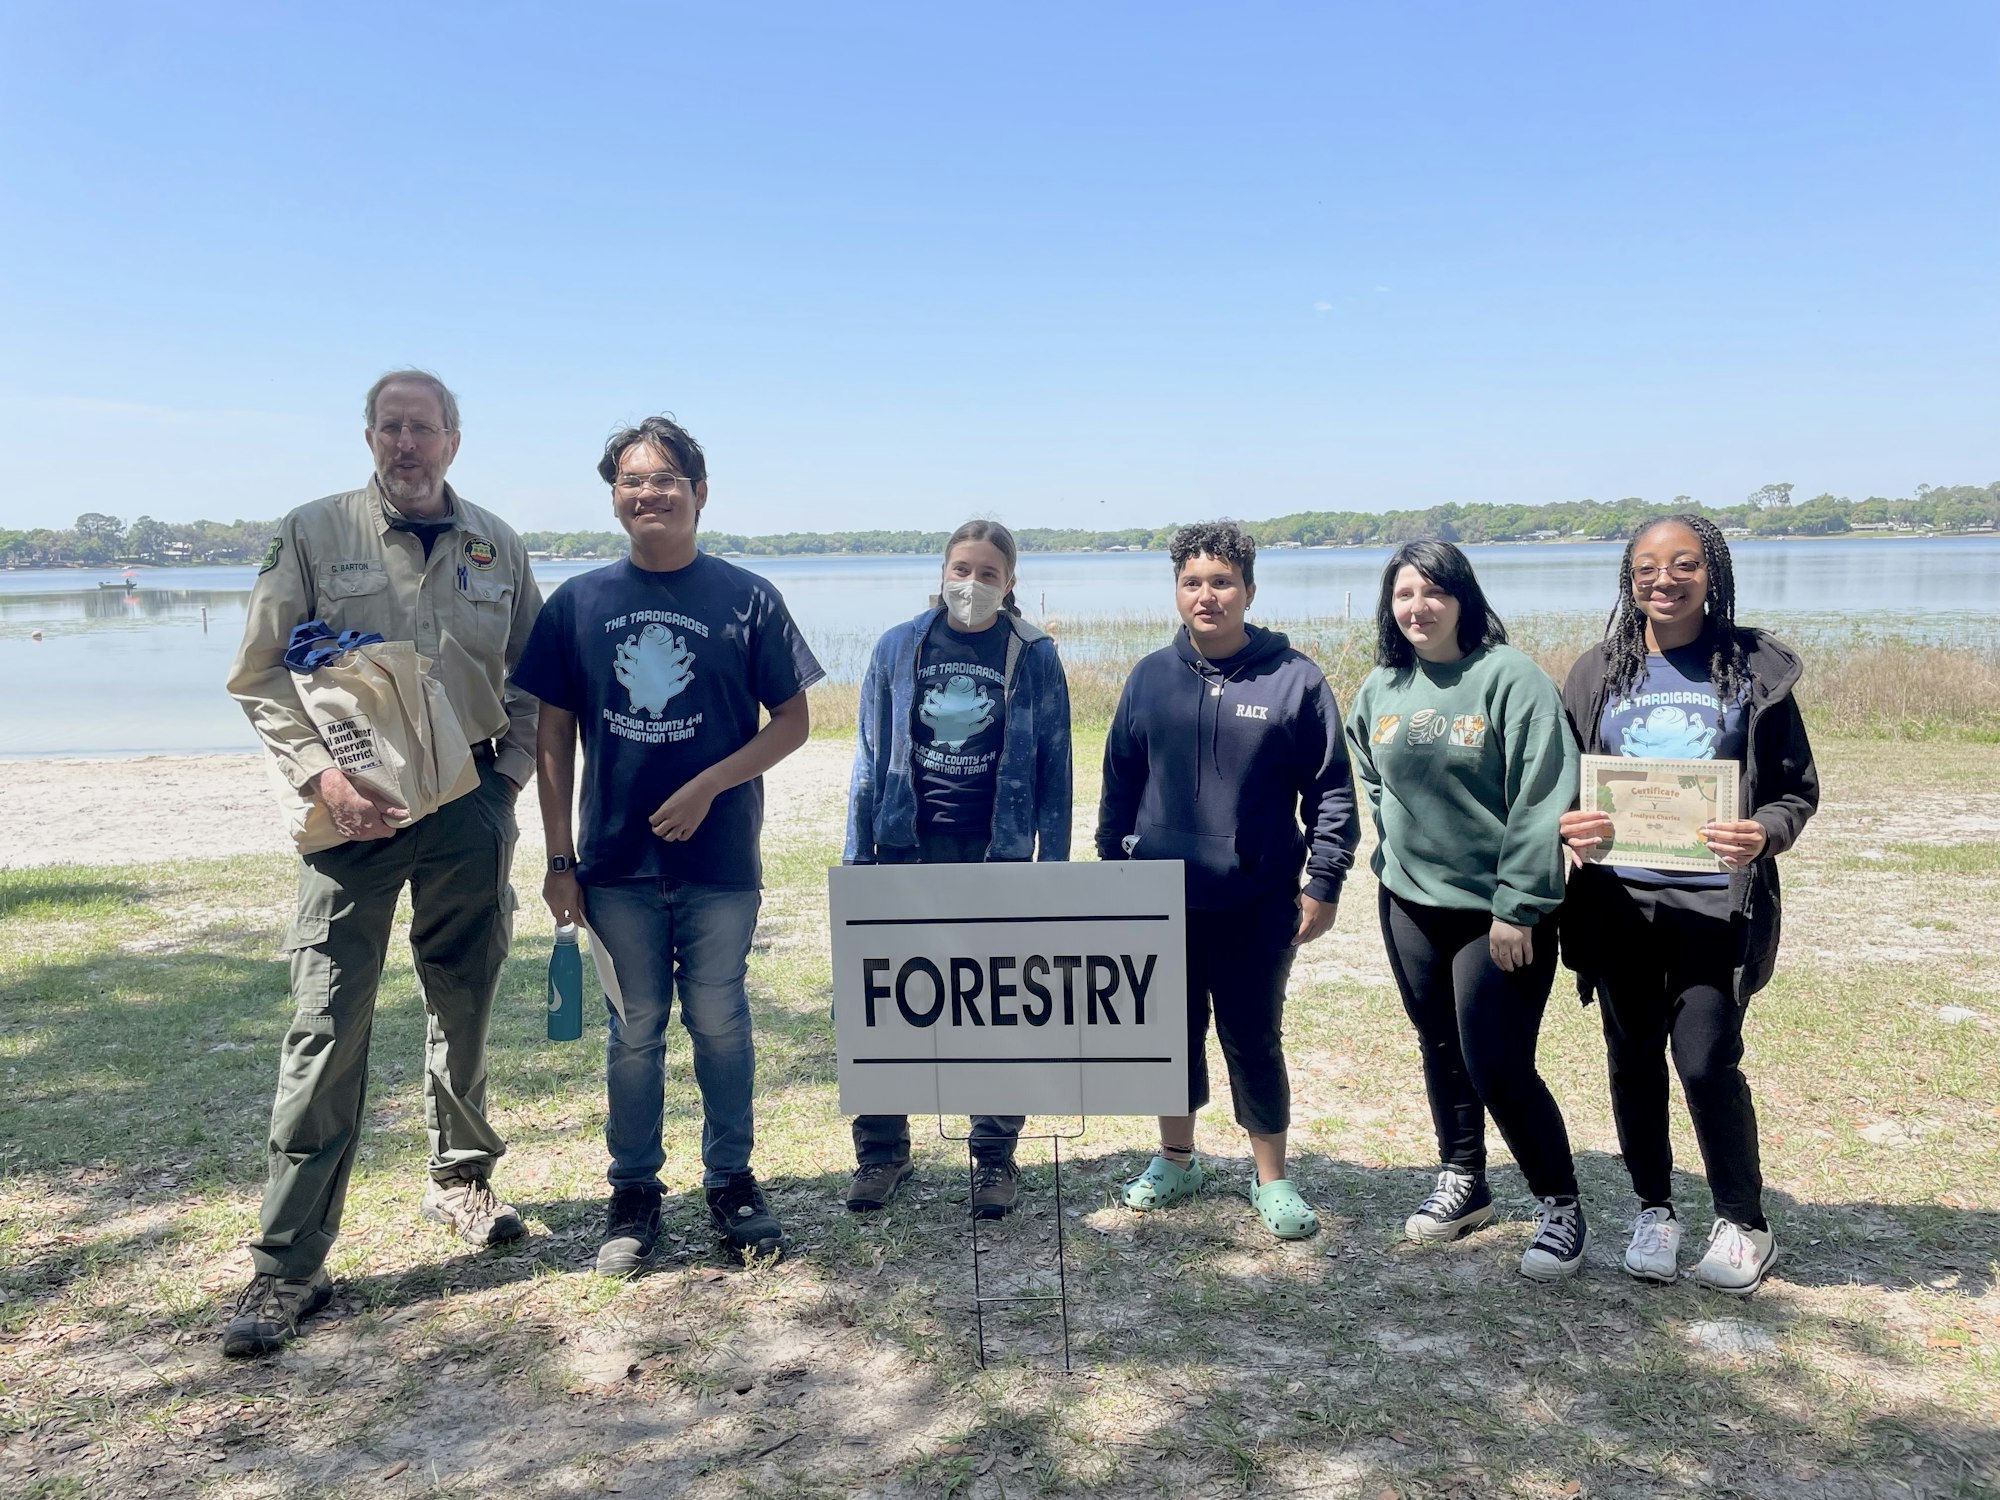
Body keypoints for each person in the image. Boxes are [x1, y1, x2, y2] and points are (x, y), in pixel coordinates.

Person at [221, 370, 543, 1356]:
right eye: (390, 428)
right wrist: (326, 781)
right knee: (326, 1026)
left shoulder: (496, 544)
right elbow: (262, 672)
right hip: (352, 819)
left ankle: (459, 1182)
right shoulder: (315, 533)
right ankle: (288, 1265)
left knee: (465, 1001)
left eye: (423, 428)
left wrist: (508, 783)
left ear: (454, 439)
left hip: (469, 813)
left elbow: (531, 676)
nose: (407, 444)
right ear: (370, 436)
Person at [512, 415, 823, 1276]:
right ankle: (634, 1194)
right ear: (614, 497)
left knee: (720, 1021)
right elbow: (552, 739)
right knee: (634, 1030)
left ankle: (732, 1184)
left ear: (699, 493)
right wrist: (558, 858)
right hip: (613, 864)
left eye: (665, 480)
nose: (648, 494)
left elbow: (794, 721)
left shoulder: (747, 597)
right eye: (631, 482)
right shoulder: (580, 603)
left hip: (721, 858)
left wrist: (710, 784)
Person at [1557, 514, 1817, 1295]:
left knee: (1705, 1062)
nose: (1663, 580)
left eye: (1683, 565)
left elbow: (1794, 792)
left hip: (1712, 906)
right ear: (1628, 580)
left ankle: (1744, 1222)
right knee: (1632, 1061)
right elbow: (1563, 780)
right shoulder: (1598, 670)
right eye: (1646, 568)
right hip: (1618, 907)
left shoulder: (1753, 667)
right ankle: (1654, 1208)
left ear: (1713, 574)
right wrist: (1568, 822)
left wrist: (1763, 834)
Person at [1096, 521, 1356, 1240]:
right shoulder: (1149, 676)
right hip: (1159, 899)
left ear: (1247, 588)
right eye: (1192, 582)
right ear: (1176, 590)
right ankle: (1177, 1158)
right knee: (1168, 1035)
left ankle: (1271, 1177)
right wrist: (1112, 873)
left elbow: (1332, 790)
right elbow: (1120, 782)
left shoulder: (1295, 677)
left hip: (1258, 900)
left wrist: (1323, 881)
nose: (1206, 596)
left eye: (1221, 581)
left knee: (1252, 1036)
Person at [1346, 540, 1587, 1280]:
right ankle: (1465, 1181)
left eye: (1432, 592)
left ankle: (1561, 1204)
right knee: (1440, 1047)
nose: (1417, 607)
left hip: (1499, 914)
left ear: (1463, 598)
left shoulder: (1508, 679)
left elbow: (1544, 794)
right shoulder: (1382, 687)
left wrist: (1519, 905)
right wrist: (1400, 851)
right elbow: (1372, 772)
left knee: (1497, 1062)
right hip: (1411, 904)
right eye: (1402, 594)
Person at [842, 520, 1073, 1219]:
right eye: (961, 569)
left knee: (1000, 1005)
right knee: (879, 1001)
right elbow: (864, 759)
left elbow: (1056, 769)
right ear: (942, 572)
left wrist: (1052, 870)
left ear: (1010, 585)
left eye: (988, 574)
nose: (971, 584)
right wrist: (859, 861)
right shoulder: (897, 647)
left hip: (996, 854)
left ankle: (994, 1156)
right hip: (903, 848)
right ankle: (882, 1154)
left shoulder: (1033, 656)